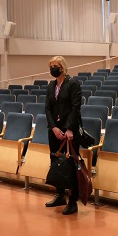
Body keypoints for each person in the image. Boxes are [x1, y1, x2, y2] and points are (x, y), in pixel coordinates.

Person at [44, 56, 83, 215]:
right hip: (55, 131)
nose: (53, 68)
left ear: (63, 67)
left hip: (70, 131)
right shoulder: (51, 86)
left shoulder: (72, 84)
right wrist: (53, 127)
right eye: (51, 66)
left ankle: (73, 201)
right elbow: (47, 109)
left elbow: (76, 109)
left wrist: (68, 129)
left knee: (71, 165)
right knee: (56, 161)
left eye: (56, 66)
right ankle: (60, 195)